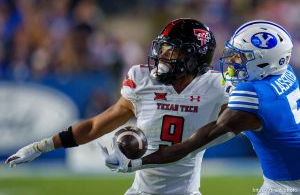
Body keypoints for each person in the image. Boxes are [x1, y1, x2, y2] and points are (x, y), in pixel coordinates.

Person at [5, 18, 232, 195]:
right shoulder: (143, 79)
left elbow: (244, 119)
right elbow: (95, 126)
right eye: (162, 48)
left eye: (172, 50)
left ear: (195, 57)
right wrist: (41, 147)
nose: (162, 55)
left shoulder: (216, 86)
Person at [103, 20, 300, 194]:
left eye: (242, 57)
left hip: (289, 184)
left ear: (265, 62)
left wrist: (137, 163)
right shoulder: (284, 72)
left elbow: (190, 146)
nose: (232, 61)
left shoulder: (253, 93)